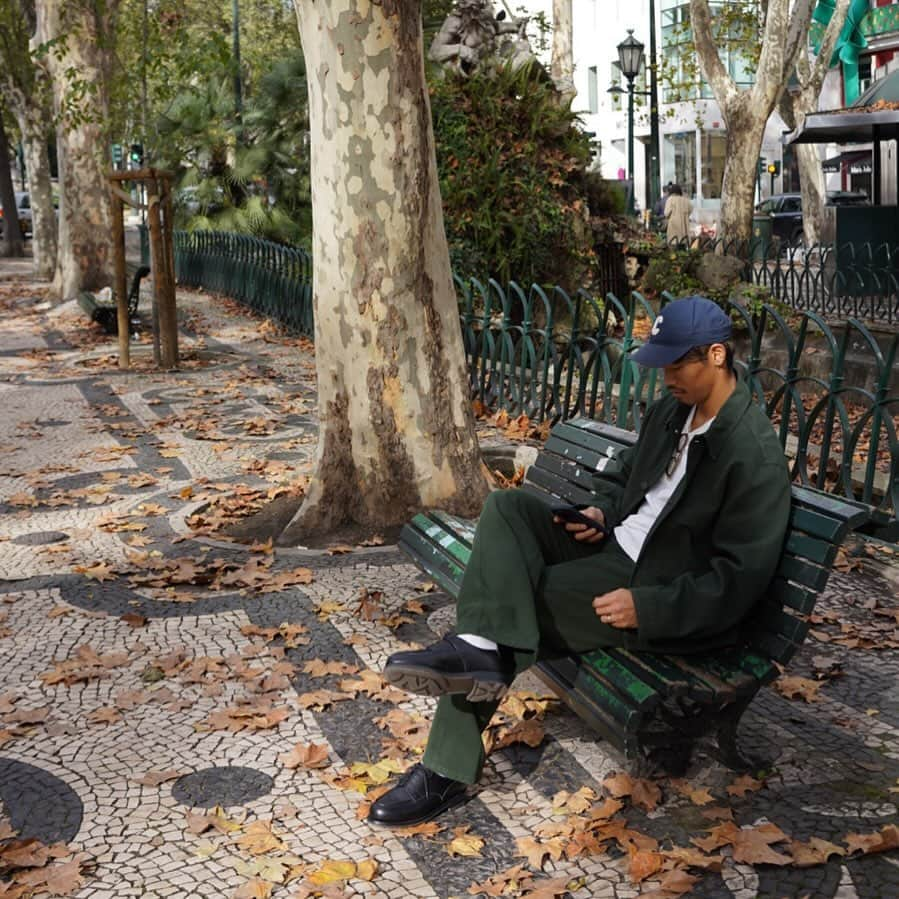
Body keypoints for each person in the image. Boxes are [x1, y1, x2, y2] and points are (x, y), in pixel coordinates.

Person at [368, 296, 791, 827]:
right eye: (660, 363)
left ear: (717, 355)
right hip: (614, 543)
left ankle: (444, 768)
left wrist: (650, 608)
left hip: (653, 583)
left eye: (677, 363)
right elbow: (625, 477)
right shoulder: (672, 411)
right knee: (507, 508)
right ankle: (475, 649)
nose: (666, 377)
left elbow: (739, 579)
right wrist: (600, 510)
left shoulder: (751, 454)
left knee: (511, 610)